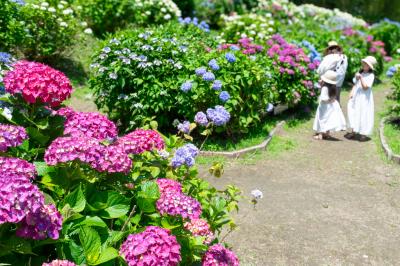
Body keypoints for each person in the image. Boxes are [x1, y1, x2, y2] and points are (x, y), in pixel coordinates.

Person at [346, 56, 376, 141]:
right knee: (353, 111)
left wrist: (361, 78)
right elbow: (356, 84)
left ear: (369, 66)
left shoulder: (371, 75)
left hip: (365, 97)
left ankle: (363, 133)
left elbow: (365, 87)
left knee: (364, 113)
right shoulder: (360, 73)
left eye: (366, 64)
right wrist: (352, 91)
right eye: (364, 63)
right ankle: (353, 131)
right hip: (357, 95)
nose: (363, 65)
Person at [313, 70, 347, 140]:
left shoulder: (325, 88)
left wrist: (321, 87)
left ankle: (320, 135)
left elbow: (323, 98)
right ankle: (327, 133)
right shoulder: (333, 87)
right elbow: (333, 97)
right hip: (330, 106)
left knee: (322, 119)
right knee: (327, 119)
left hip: (324, 106)